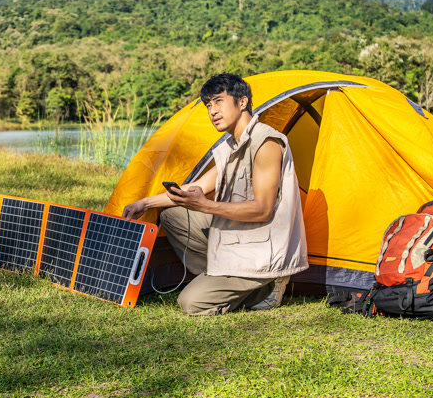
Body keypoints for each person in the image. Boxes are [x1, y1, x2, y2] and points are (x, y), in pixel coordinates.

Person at [122, 73, 308, 315]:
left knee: (191, 303)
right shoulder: (230, 147)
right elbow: (196, 187)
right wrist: (145, 203)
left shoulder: (266, 142)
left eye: (219, 101)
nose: (212, 111)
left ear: (242, 102)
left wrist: (205, 206)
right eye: (208, 105)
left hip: (260, 251)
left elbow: (262, 209)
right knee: (173, 215)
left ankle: (266, 289)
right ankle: (217, 277)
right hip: (239, 241)